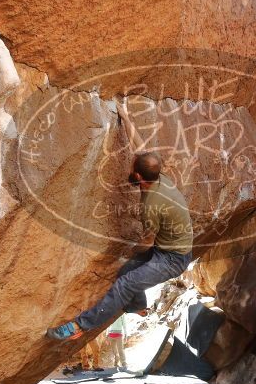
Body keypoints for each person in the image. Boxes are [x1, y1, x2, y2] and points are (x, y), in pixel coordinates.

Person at [47, 100, 193, 341]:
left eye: (133, 166)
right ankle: (137, 306)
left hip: (172, 259)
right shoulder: (157, 175)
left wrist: (130, 250)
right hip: (168, 246)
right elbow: (141, 147)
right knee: (127, 270)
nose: (131, 163)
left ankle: (79, 326)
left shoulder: (152, 205)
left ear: (138, 176)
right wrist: (124, 115)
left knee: (126, 282)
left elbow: (146, 242)